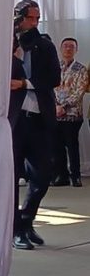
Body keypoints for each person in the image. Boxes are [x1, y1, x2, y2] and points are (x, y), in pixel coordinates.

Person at [8, 0, 62, 250]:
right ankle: (15, 229)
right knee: (11, 178)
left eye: (37, 18)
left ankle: (26, 219)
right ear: (19, 18)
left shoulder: (45, 45)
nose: (34, 22)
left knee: (42, 176)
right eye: (30, 18)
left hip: (40, 119)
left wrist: (25, 84)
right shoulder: (7, 45)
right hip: (15, 120)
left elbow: (54, 78)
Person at [51, 37, 88, 187]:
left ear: (76, 50)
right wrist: (56, 106)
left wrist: (64, 106)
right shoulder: (56, 67)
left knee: (72, 146)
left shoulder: (81, 69)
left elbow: (80, 91)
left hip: (73, 114)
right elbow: (51, 88)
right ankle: (62, 175)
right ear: (60, 49)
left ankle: (75, 175)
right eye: (65, 46)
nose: (68, 49)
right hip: (56, 113)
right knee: (57, 146)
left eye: (71, 47)